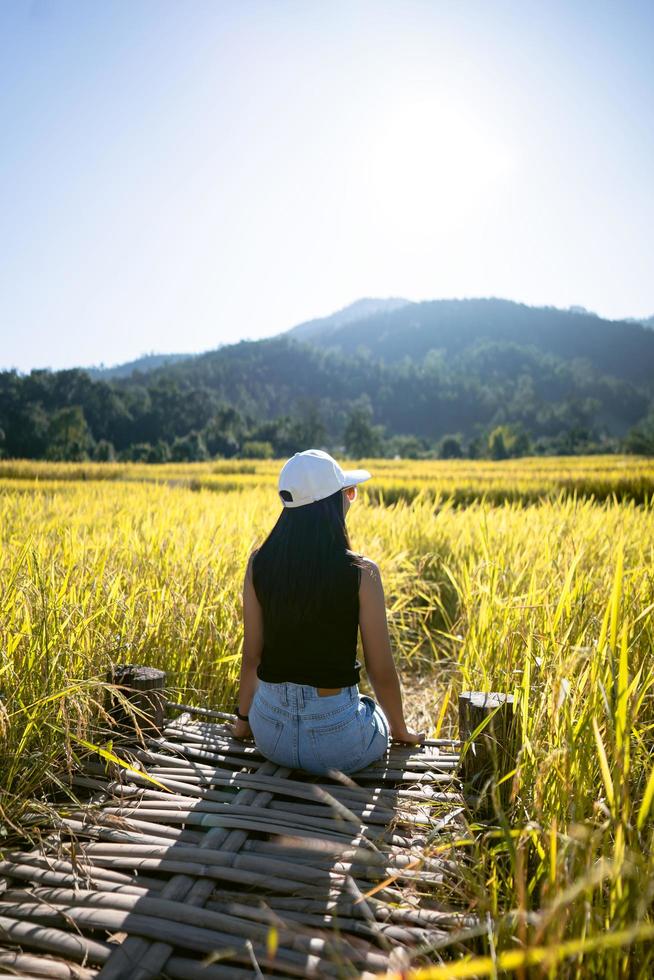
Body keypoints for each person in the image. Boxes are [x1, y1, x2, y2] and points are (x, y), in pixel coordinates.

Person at [229, 448, 425, 775]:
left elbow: (252, 656)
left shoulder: (259, 564)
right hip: (336, 741)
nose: (351, 499)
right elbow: (380, 670)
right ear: (331, 503)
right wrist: (400, 731)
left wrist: (242, 722)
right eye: (348, 492)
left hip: (270, 735)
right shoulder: (362, 571)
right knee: (370, 709)